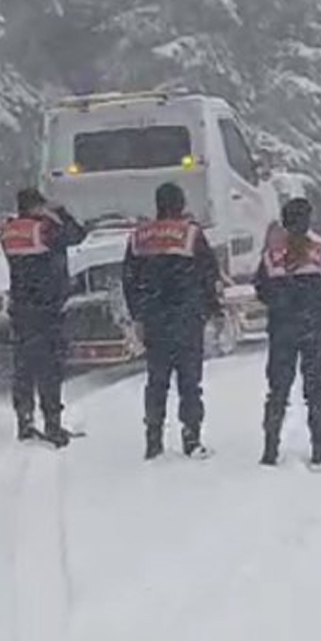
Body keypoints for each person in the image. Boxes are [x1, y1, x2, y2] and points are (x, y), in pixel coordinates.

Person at [122, 182, 223, 460]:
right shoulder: (191, 234)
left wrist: (138, 315)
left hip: (154, 320)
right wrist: (213, 309)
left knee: (157, 381)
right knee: (189, 382)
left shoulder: (139, 237)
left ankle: (153, 440)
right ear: (181, 204)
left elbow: (129, 279)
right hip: (187, 318)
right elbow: (209, 274)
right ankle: (191, 438)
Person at [254, 197, 321, 470]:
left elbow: (261, 290)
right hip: (315, 331)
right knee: (316, 392)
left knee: (278, 391)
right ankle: (318, 452)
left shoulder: (271, 257)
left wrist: (284, 303)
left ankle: (270, 451)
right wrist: (314, 304)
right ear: (308, 222)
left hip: (282, 332)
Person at [0, 187, 88, 446]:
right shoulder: (46, 229)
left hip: (20, 307)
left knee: (23, 367)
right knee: (49, 368)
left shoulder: (9, 230)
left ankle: (24, 421)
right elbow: (77, 235)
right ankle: (53, 424)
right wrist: (60, 213)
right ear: (35, 206)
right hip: (47, 309)